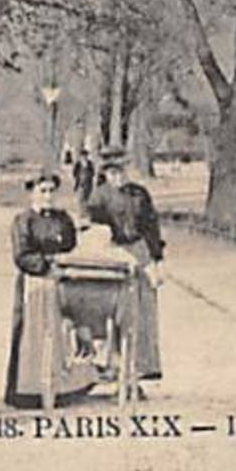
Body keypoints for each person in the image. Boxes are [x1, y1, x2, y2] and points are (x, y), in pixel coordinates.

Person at [3, 173, 99, 409]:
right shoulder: (22, 220)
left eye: (50, 191)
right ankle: (29, 391)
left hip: (61, 281)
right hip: (35, 284)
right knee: (34, 335)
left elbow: (71, 245)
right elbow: (22, 255)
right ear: (32, 193)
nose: (47, 196)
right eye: (42, 190)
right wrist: (47, 263)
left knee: (60, 333)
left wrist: (64, 262)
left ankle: (63, 387)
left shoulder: (63, 219)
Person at [91, 151, 164, 397]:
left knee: (143, 314)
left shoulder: (139, 194)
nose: (118, 176)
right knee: (114, 312)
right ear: (105, 173)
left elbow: (151, 227)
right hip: (113, 253)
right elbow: (96, 231)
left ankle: (138, 373)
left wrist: (156, 260)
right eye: (112, 172)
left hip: (140, 251)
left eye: (121, 171)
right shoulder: (98, 197)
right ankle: (112, 368)